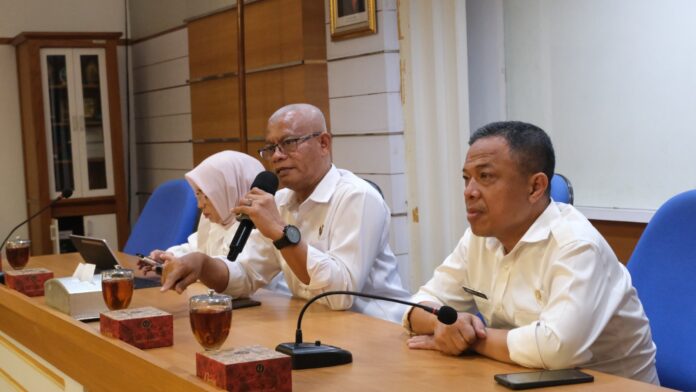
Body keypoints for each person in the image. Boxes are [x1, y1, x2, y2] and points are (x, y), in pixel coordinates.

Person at [403, 121, 658, 384]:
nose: (470, 192)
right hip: (527, 378)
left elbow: (557, 348)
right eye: (466, 179)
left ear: (535, 187)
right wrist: (440, 324)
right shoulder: (480, 239)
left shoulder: (577, 245)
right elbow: (416, 305)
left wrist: (470, 338)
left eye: (485, 176)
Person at [158, 103, 410, 322]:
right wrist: (202, 263)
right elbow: (247, 275)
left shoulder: (358, 197)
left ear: (324, 143)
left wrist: (281, 233)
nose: (277, 156)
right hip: (316, 323)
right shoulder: (280, 201)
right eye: (271, 148)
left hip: (375, 326)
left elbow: (341, 295)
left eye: (288, 143)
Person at [150, 151, 264, 258]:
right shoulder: (215, 220)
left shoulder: (258, 231)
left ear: (231, 192)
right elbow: (196, 248)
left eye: (207, 196)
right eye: (198, 195)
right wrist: (170, 255)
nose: (200, 205)